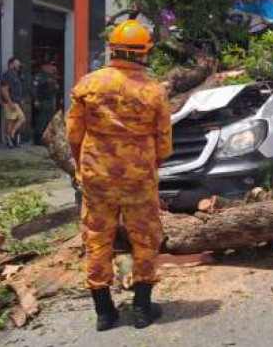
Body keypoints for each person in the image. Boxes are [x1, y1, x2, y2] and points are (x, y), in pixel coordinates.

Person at [66, 20, 172, 331]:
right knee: (145, 238)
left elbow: (74, 134)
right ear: (144, 53)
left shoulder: (88, 84)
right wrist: (149, 165)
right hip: (139, 179)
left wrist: (81, 165)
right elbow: (164, 145)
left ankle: (104, 312)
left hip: (96, 177)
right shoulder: (154, 91)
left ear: (113, 49)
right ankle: (141, 309)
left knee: (98, 239)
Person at [0, 57, 26, 148]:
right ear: (11, 64)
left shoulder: (15, 74)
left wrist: (21, 99)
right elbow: (4, 90)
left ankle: (11, 137)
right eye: (17, 63)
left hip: (16, 101)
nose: (18, 65)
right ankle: (10, 136)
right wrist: (9, 102)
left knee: (16, 120)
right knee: (15, 120)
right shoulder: (7, 75)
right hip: (10, 102)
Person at [32, 62, 59, 145]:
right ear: (43, 67)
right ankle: (37, 139)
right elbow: (34, 89)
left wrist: (56, 87)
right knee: (41, 120)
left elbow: (53, 89)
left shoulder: (51, 76)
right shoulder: (39, 76)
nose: (50, 68)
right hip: (42, 101)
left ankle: (46, 139)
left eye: (51, 66)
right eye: (48, 66)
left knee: (49, 120)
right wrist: (36, 100)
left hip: (50, 101)